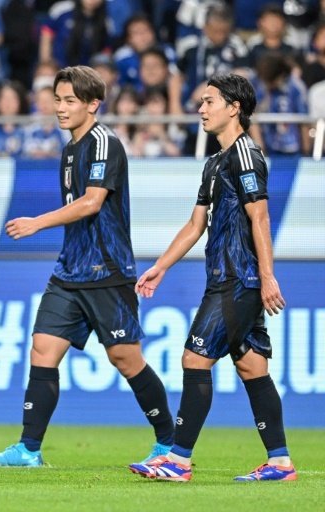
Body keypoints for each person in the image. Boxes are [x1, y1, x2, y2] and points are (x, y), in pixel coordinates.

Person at [0, 66, 175, 468]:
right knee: (42, 349)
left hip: (107, 271)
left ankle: (169, 443)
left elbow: (92, 202)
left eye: (70, 101)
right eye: (58, 99)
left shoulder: (105, 143)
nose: (61, 107)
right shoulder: (70, 148)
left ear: (93, 104)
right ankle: (28, 449)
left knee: (126, 359)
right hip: (70, 271)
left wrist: (37, 222)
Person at [129, 73, 296, 482]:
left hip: (238, 278)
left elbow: (260, 216)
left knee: (194, 358)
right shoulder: (215, 161)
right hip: (226, 277)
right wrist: (161, 265)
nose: (200, 109)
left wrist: (267, 276)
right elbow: (195, 223)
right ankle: (280, 463)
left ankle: (178, 460)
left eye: (208, 102)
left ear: (233, 107)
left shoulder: (246, 155)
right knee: (253, 369)